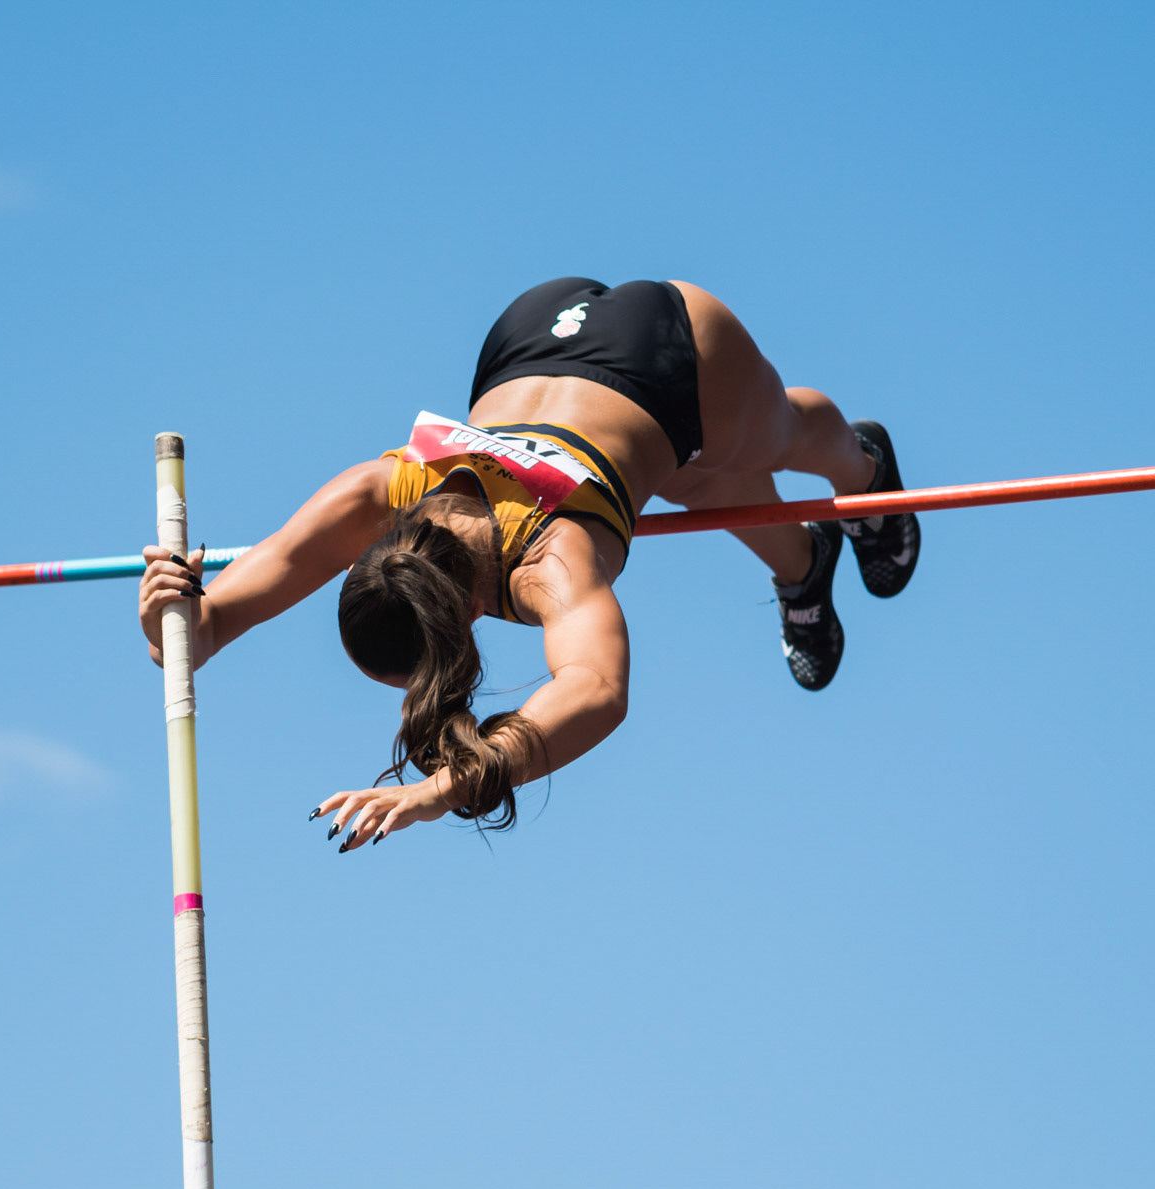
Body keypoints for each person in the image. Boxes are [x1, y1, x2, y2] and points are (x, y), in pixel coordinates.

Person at [139, 277, 919, 849]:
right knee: (687, 474)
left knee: (773, 436)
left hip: (673, 346)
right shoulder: (380, 492)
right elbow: (205, 627)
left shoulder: (552, 555)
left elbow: (599, 690)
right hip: (529, 331)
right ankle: (803, 567)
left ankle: (864, 473)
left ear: (470, 617)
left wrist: (444, 790)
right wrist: (174, 620)